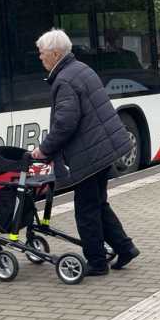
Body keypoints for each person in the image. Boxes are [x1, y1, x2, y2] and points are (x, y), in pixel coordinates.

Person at [32, 28, 139, 276]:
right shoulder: (80, 68)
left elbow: (64, 124)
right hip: (102, 149)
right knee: (98, 203)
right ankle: (125, 248)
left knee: (86, 210)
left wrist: (43, 150)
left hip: (91, 153)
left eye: (42, 53)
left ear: (55, 53)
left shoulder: (64, 80)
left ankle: (97, 263)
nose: (40, 57)